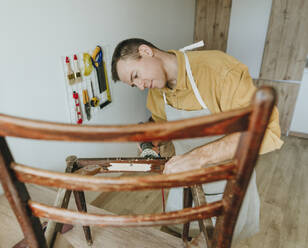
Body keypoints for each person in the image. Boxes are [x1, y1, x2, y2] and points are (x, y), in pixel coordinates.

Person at [111, 38, 283, 242]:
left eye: (136, 76)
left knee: (217, 239)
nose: (140, 86)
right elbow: (161, 125)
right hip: (185, 182)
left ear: (146, 51)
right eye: (133, 84)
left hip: (226, 182)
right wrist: (151, 138)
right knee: (181, 235)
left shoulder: (220, 72)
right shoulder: (157, 93)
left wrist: (199, 157)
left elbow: (263, 129)